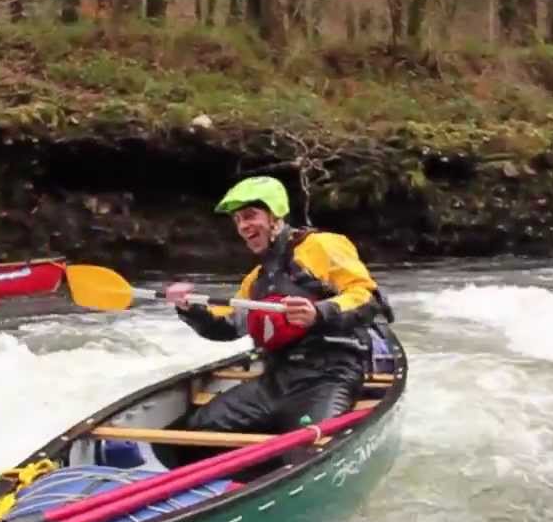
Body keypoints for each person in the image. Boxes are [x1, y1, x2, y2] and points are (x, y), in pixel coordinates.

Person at [165, 175, 392, 438]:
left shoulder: (322, 245)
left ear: (275, 215)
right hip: (276, 379)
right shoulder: (256, 279)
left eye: (250, 216)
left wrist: (319, 313)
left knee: (312, 443)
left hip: (330, 376)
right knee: (199, 427)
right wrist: (190, 309)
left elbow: (367, 297)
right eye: (237, 220)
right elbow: (227, 326)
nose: (243, 226)